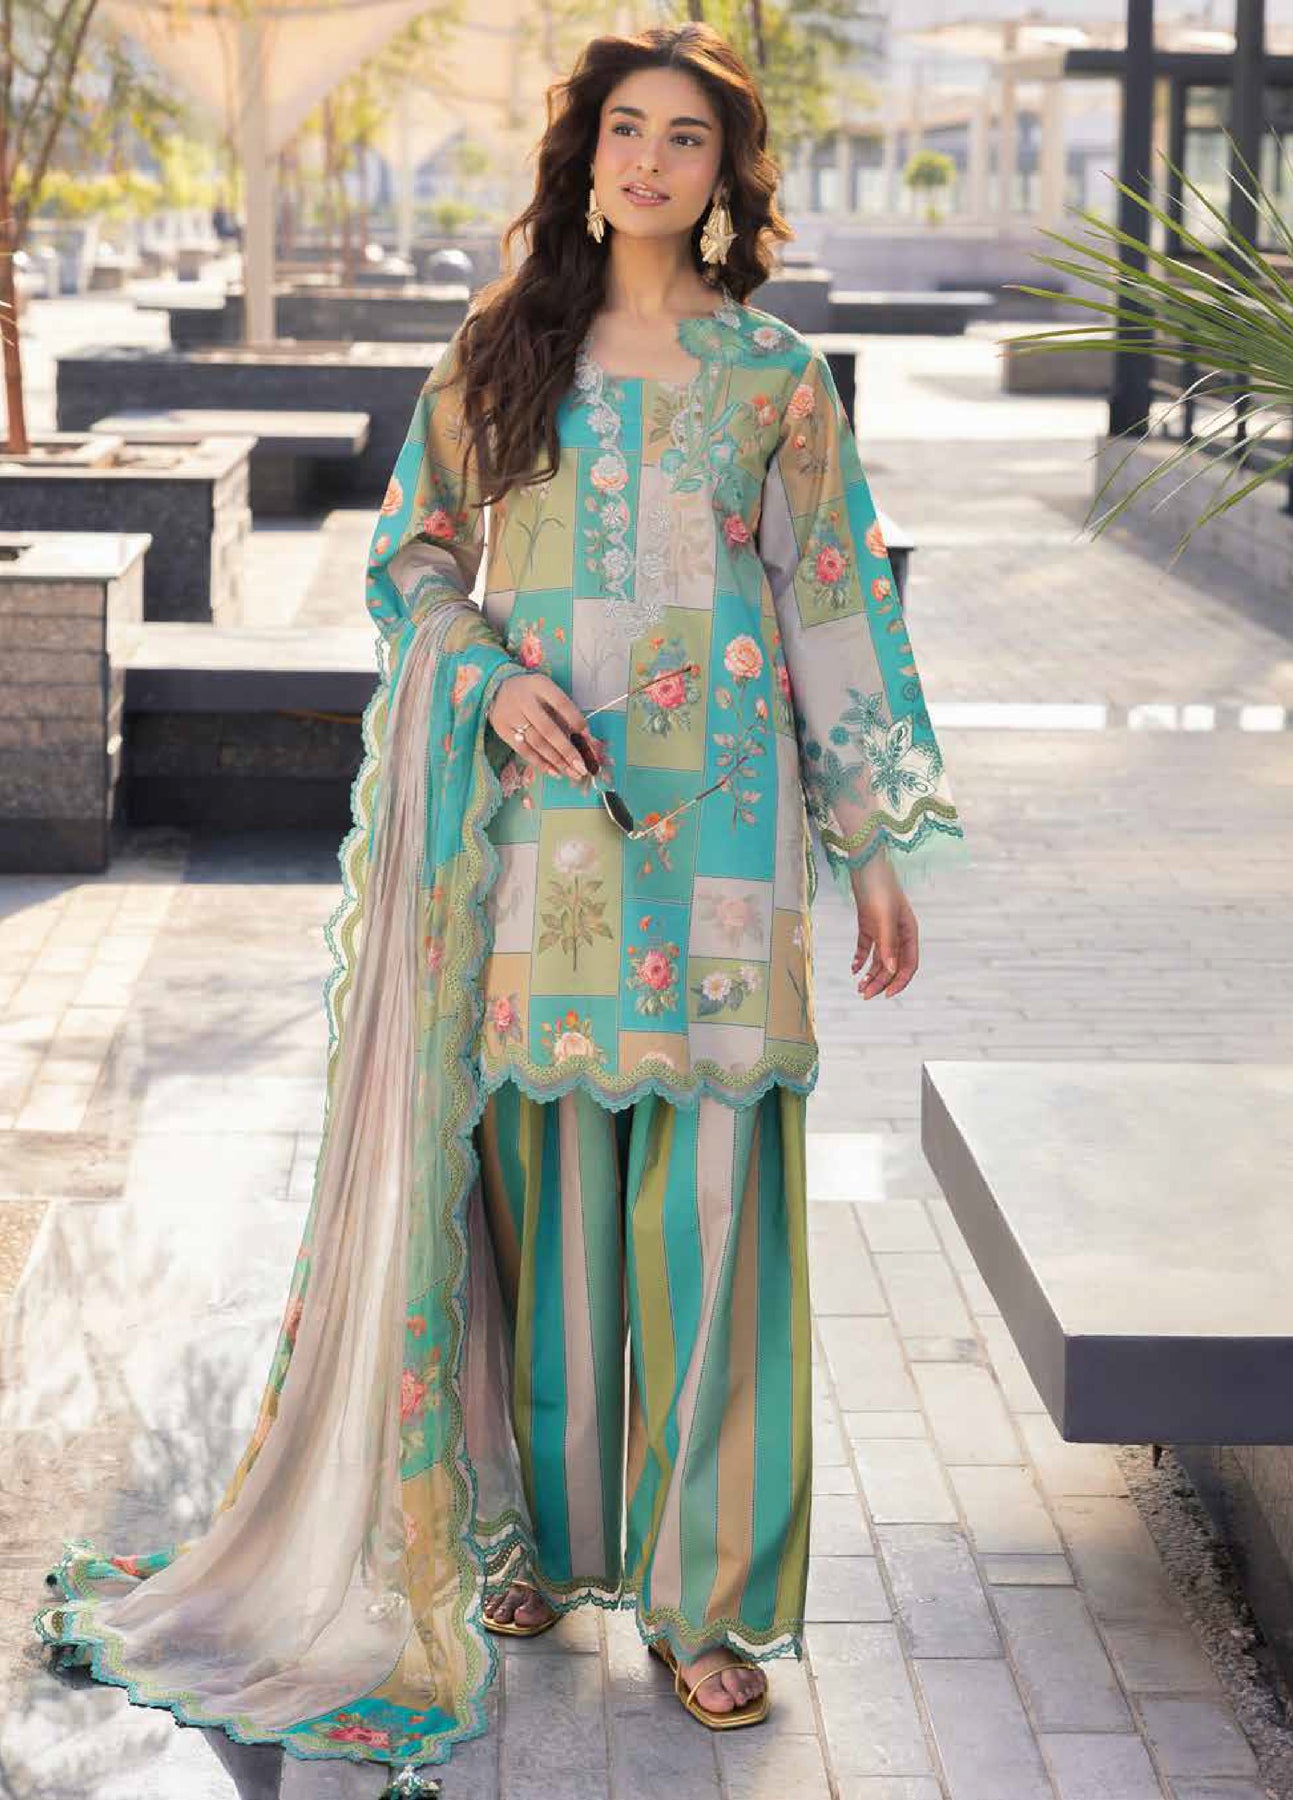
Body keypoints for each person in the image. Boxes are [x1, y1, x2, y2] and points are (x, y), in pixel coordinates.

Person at [30, 21, 968, 1795]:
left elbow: (832, 603)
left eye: (685, 139)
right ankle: (530, 1540)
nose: (650, 161)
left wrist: (870, 843)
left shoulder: (774, 376)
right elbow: (410, 556)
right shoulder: (501, 350)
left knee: (707, 1213)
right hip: (541, 841)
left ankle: (700, 1605)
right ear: (585, 156)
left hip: (723, 847)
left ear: (725, 177)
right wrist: (483, 671)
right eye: (626, 130)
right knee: (537, 1209)